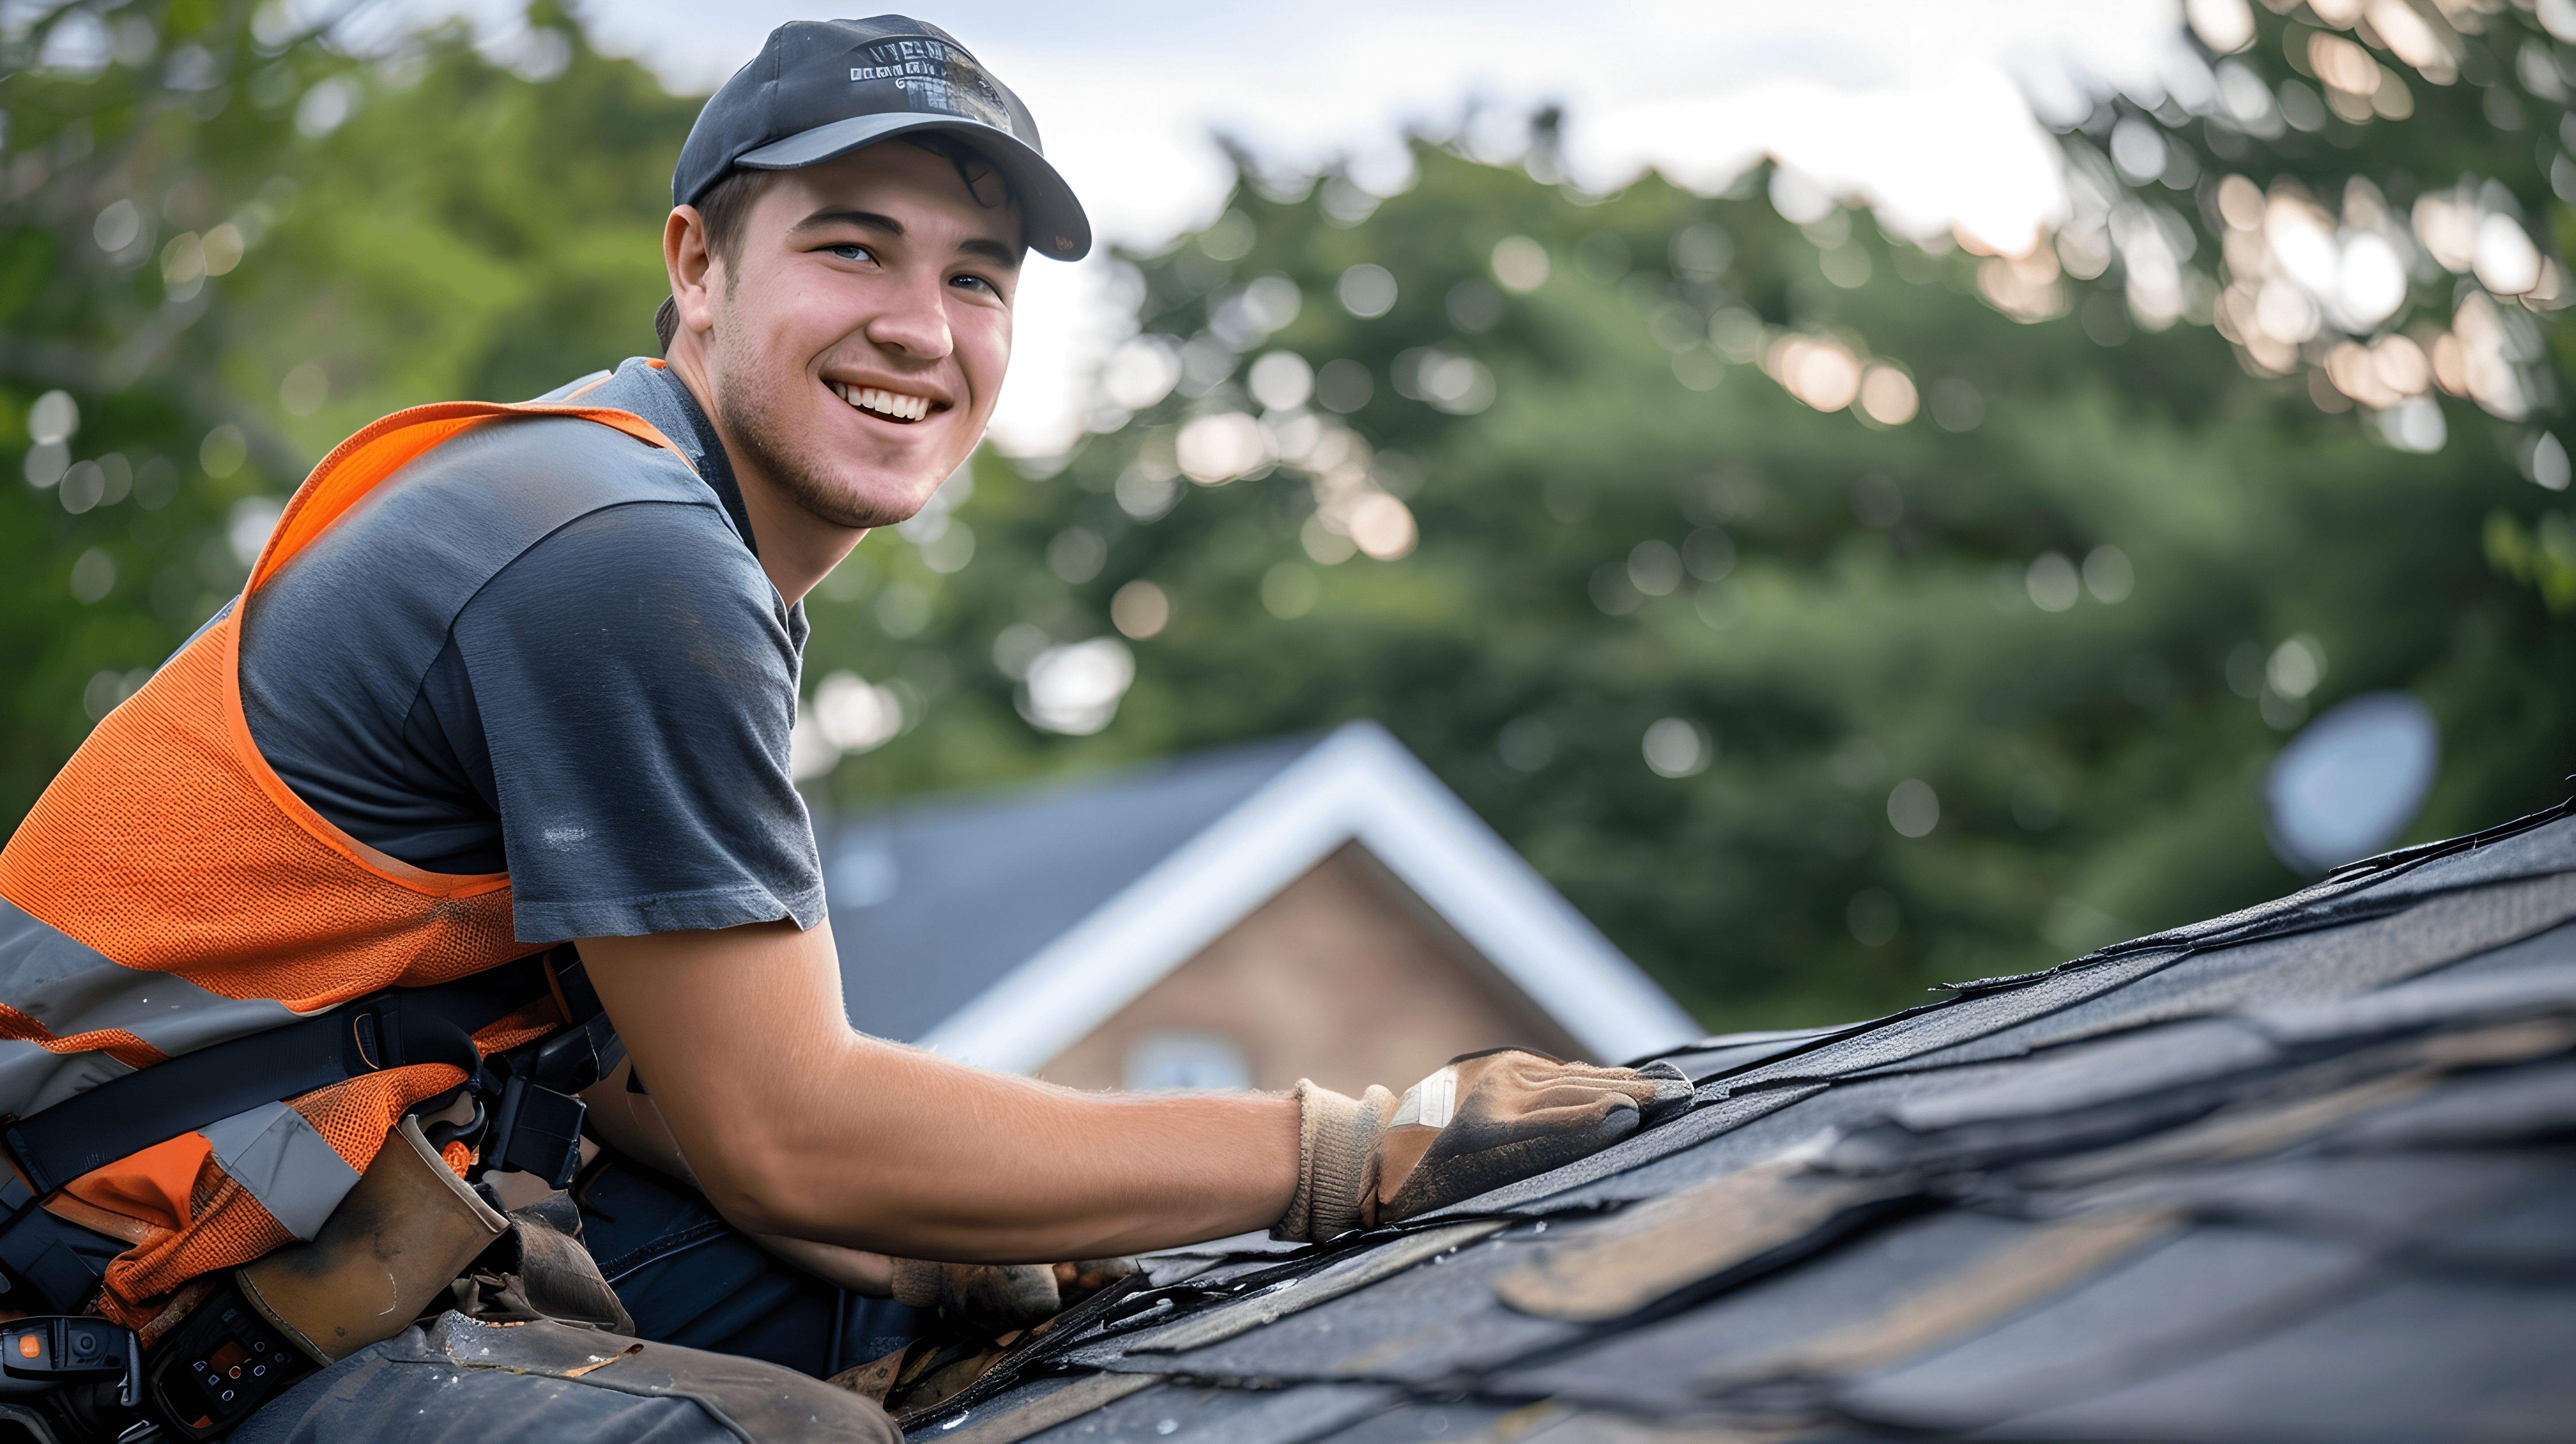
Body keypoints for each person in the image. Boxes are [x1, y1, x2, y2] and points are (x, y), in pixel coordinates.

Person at [0, 17, 1690, 1441]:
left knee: (994, 1309)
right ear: (696, 264)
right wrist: (1358, 1152)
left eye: (979, 279)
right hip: (116, 1308)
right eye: (851, 245)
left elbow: (664, 1088)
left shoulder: (625, 491)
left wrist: (990, 1219)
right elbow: (790, 1137)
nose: (921, 329)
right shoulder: (619, 549)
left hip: (278, 1218)